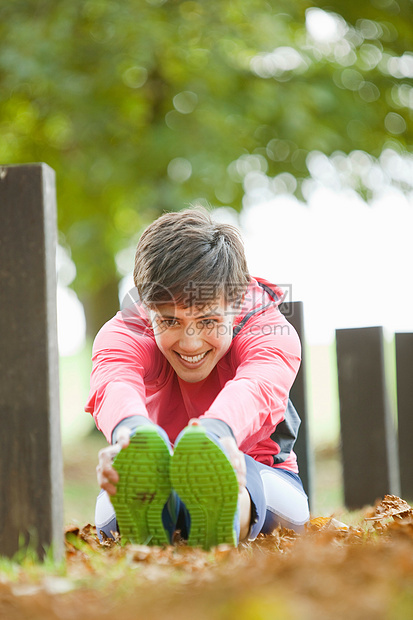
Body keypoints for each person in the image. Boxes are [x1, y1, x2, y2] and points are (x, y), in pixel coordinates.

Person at [86, 207, 309, 549]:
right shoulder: (126, 331)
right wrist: (130, 434)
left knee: (236, 477)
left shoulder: (268, 329)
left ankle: (232, 510)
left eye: (207, 322)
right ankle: (158, 509)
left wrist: (217, 435)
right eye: (170, 321)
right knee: (118, 492)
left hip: (261, 472)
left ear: (236, 303)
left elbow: (258, 386)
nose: (190, 343)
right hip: (162, 468)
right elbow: (114, 380)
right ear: (147, 307)